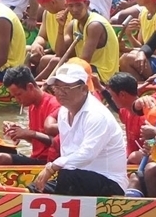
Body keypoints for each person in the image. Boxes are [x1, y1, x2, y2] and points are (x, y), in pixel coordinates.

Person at [28, 63, 127, 196]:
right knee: (34, 188)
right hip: (78, 177)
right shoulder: (63, 112)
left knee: (67, 176)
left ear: (84, 89)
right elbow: (68, 152)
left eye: (66, 88)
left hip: (109, 181)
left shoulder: (96, 115)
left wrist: (52, 167)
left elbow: (87, 154)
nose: (60, 93)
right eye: (57, 87)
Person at [0, 66, 60, 166]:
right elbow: (36, 141)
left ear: (30, 87)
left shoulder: (55, 106)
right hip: (35, 158)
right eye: (14, 96)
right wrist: (19, 132)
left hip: (48, 163)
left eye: (19, 94)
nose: (17, 100)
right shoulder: (32, 106)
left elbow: (60, 143)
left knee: (0, 158)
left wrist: (30, 133)